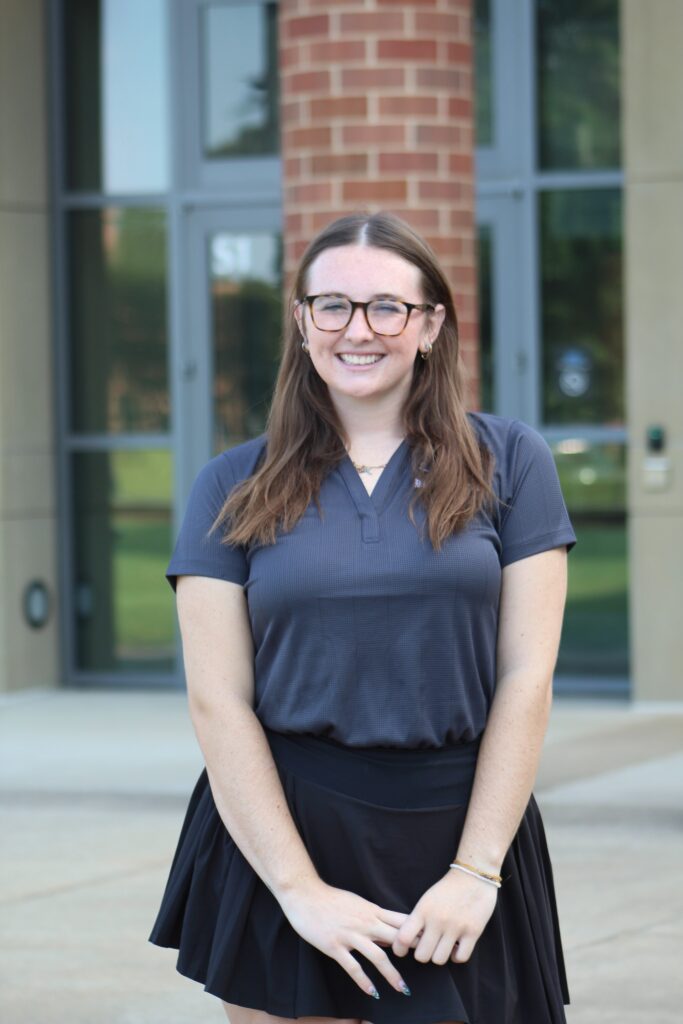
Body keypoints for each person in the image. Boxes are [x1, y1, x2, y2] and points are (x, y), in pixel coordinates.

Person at [148, 210, 577, 1024]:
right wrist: (298, 891)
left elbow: (527, 675)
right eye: (332, 306)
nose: (358, 329)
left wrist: (475, 871)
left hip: (462, 827)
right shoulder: (229, 485)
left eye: (387, 307)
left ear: (430, 326)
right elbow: (218, 700)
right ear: (302, 322)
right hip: (287, 825)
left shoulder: (511, 461)